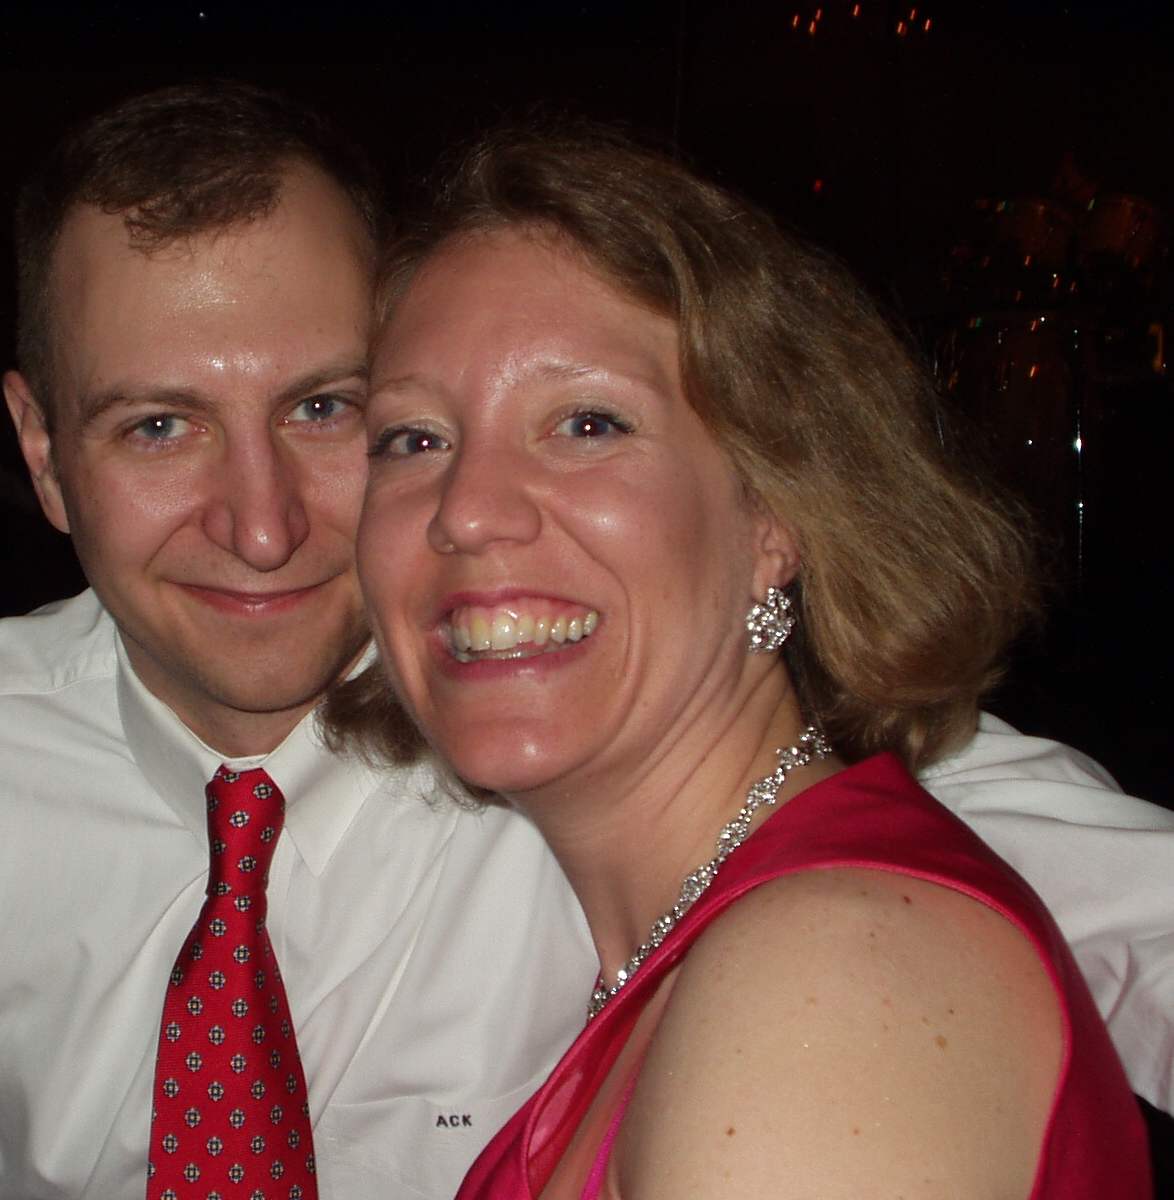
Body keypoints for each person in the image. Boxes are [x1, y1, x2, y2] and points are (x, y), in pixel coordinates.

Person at [0, 85, 1174, 1200]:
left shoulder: (571, 708)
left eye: (326, 410)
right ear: (37, 449)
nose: (264, 525)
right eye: (158, 426)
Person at [340, 123, 1152, 1197]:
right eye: (413, 439)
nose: (467, 511)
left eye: (586, 423)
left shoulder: (833, 978)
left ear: (775, 517)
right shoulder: (714, 944)